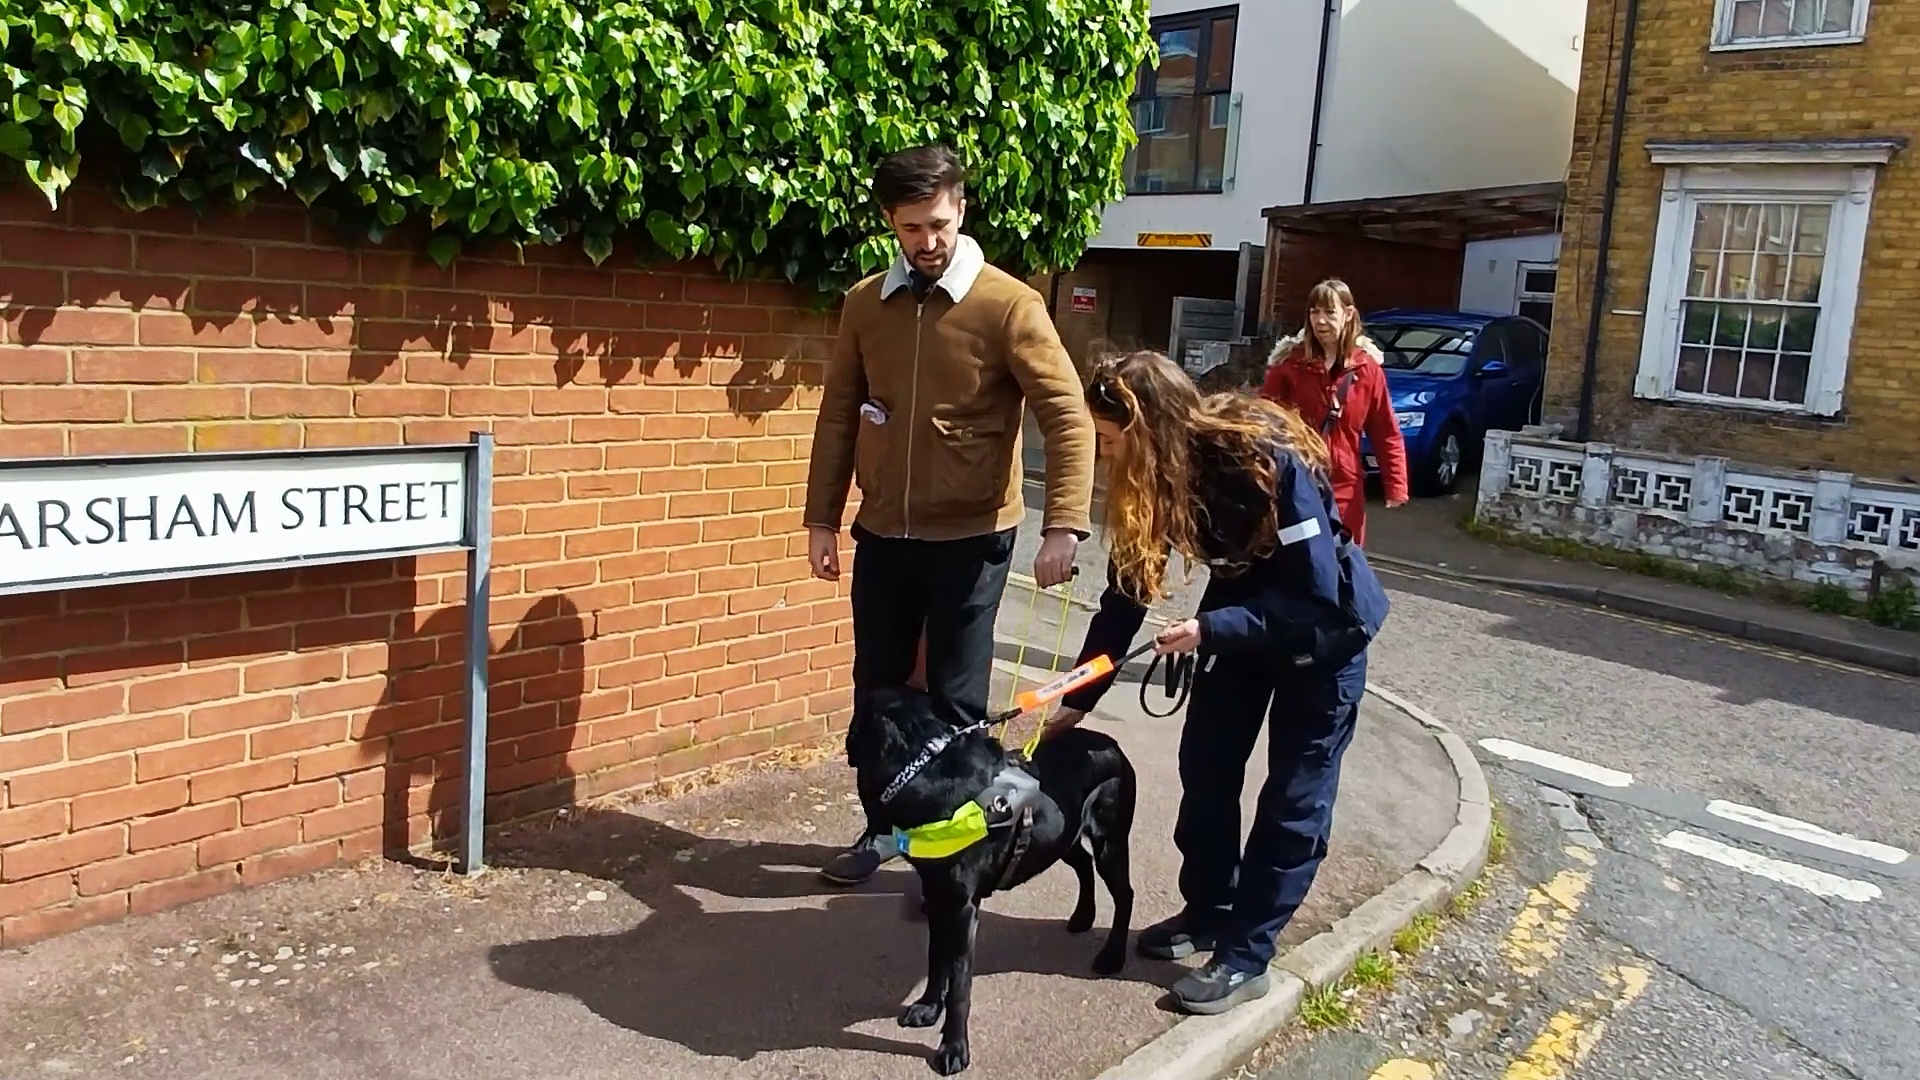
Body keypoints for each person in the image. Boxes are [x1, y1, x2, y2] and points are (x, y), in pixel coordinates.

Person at [1042, 351, 1391, 1016]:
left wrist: (1211, 630)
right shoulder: (1158, 482)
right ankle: (1209, 910)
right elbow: (1125, 599)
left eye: (1113, 442)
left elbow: (1313, 596)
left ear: (1151, 430)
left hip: (1323, 636)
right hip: (1239, 629)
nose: (1107, 458)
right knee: (1204, 769)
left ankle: (1246, 954)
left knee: (1293, 799)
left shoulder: (1264, 458)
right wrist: (1077, 697)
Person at [802, 143, 1096, 886]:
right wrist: (821, 519)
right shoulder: (867, 304)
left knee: (958, 702)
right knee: (879, 695)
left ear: (961, 210)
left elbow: (1067, 414)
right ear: (889, 225)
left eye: (937, 223)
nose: (926, 242)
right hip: (885, 534)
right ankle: (882, 831)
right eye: (910, 228)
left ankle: (958, 854)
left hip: (972, 537)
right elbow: (839, 414)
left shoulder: (1008, 304)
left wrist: (1062, 523)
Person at [1259, 278, 1409, 545]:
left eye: (1329, 312)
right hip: (1297, 485)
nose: (1320, 321)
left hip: (1346, 489)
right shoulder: (1289, 366)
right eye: (1314, 312)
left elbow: (1386, 431)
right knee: (1302, 564)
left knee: (1346, 565)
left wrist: (1396, 485)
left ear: (1348, 313)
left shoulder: (1368, 370)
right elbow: (1262, 424)